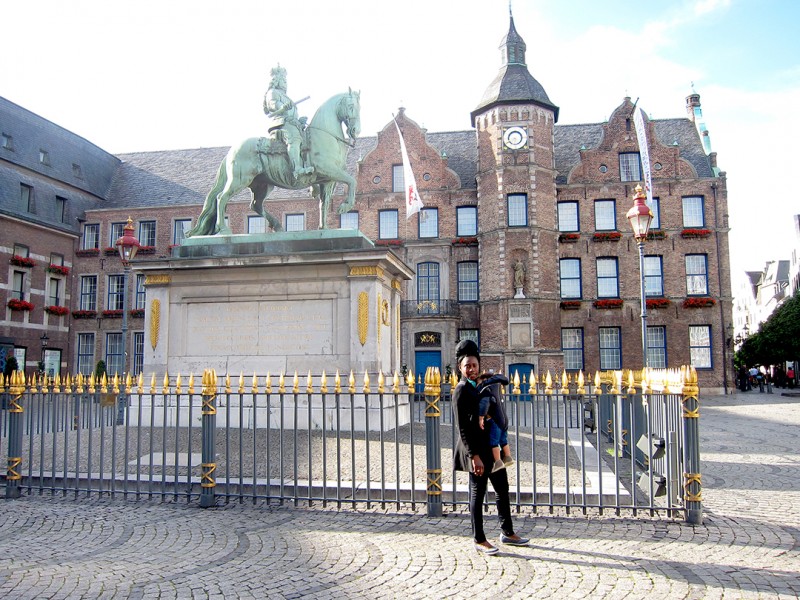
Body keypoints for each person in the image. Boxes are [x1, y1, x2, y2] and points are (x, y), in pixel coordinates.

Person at [452, 339, 529, 555]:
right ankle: (479, 538)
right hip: (476, 450)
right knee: (478, 493)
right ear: (460, 367)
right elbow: (463, 428)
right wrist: (473, 456)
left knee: (502, 489)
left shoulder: (481, 385)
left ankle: (507, 532)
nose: (472, 369)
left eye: (474, 365)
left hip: (491, 447)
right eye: (467, 366)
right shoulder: (461, 390)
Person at [263, 65, 313, 181]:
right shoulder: (273, 92)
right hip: (280, 124)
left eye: (286, 81)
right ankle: (297, 169)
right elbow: (272, 104)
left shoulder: (286, 97)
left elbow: (292, 113)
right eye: (283, 80)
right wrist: (282, 106)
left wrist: (300, 121)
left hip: (292, 124)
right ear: (277, 80)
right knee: (294, 139)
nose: (285, 83)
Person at [476, 370, 514, 473]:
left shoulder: (486, 389)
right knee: (503, 440)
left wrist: (480, 418)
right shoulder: (497, 387)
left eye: (479, 381)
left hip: (495, 421)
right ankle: (508, 457)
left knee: (494, 442)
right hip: (504, 419)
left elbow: (484, 404)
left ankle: (498, 461)